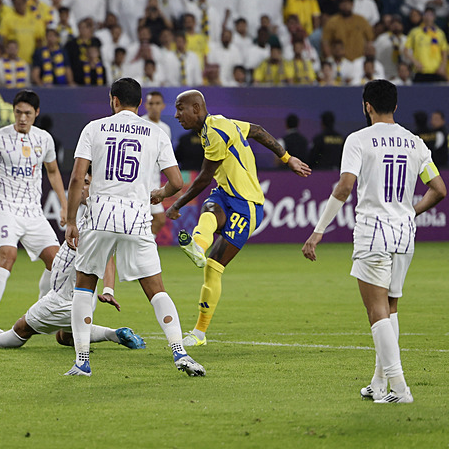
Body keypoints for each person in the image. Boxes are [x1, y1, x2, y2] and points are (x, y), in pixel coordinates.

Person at [302, 79, 446, 403]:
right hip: (405, 232)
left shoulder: (359, 140)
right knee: (391, 308)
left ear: (366, 105)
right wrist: (411, 210)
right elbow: (438, 189)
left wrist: (318, 230)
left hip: (373, 231)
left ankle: (400, 389)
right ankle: (379, 384)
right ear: (395, 106)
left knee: (376, 310)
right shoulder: (415, 142)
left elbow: (344, 187)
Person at [64, 77, 204, 377]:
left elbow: (77, 179)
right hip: (136, 217)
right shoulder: (155, 132)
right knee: (156, 290)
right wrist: (161, 194)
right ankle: (180, 353)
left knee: (84, 286)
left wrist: (71, 219)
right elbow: (178, 183)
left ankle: (82, 361)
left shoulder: (94, 128)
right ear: (140, 104)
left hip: (100, 214)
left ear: (113, 100)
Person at [152, 90, 311, 348]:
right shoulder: (218, 125)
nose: (176, 114)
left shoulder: (215, 132)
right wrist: (286, 157)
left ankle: (199, 332)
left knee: (214, 267)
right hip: (226, 195)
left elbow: (203, 178)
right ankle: (197, 247)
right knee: (210, 208)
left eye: (180, 109)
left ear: (196, 108)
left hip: (247, 206)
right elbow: (257, 130)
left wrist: (176, 204)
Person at [0, 170, 146, 350]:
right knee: (64, 337)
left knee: (21, 329)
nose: (81, 186)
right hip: (82, 298)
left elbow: (108, 258)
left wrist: (108, 289)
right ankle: (115, 335)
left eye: (86, 183)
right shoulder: (89, 214)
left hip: (65, 298)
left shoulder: (96, 222)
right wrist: (108, 291)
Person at [0, 90, 68, 334]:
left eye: (27, 113)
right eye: (18, 112)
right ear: (13, 112)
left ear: (36, 114)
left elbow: (52, 172)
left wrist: (64, 205)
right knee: (8, 255)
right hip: (5, 208)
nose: (22, 118)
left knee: (57, 261)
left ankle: (43, 313)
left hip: (33, 211)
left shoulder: (44, 139)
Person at [141, 91, 172, 235]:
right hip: (140, 182)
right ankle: (144, 250)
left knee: (159, 220)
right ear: (146, 105)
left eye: (157, 103)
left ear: (163, 106)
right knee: (155, 219)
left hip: (154, 183)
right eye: (151, 103)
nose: (154, 107)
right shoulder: (140, 124)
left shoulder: (165, 129)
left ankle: (143, 250)